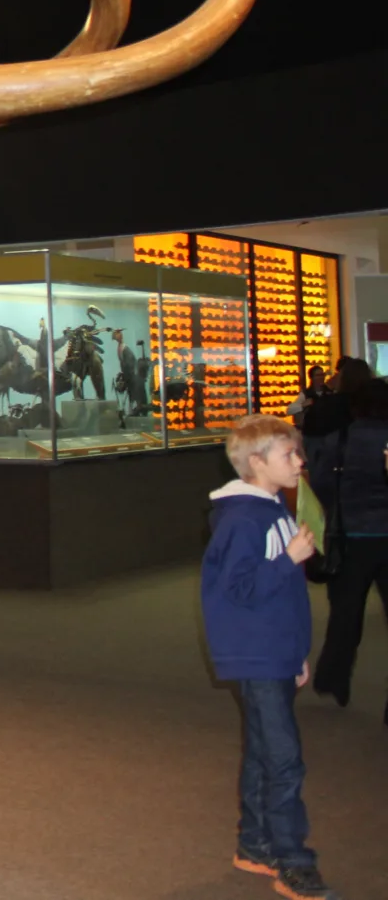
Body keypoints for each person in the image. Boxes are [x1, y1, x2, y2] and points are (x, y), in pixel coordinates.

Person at [201, 414, 339, 900]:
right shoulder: (242, 520)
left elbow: (285, 597)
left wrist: (296, 652)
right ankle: (292, 859)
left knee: (265, 753)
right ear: (257, 463)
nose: (300, 462)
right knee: (284, 760)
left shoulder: (273, 508)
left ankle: (255, 845)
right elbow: (237, 589)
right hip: (255, 655)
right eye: (289, 454)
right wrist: (288, 560)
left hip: (274, 650)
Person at [307, 376, 388, 717]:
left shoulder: (338, 440)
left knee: (345, 614)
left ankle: (334, 679)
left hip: (350, 538)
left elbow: (321, 486)